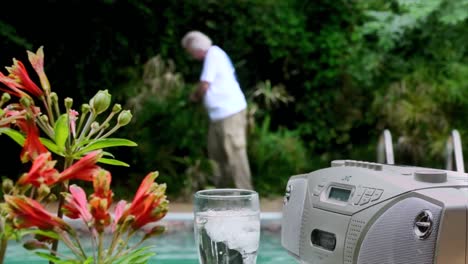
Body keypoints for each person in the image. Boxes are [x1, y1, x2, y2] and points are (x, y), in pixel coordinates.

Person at [181, 30, 253, 190]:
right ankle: (222, 194)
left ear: (195, 48)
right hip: (218, 116)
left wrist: (194, 97)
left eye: (190, 52)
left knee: (236, 153)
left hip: (230, 113)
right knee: (217, 156)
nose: (191, 55)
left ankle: (245, 193)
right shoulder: (213, 56)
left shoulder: (213, 54)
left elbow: (205, 84)